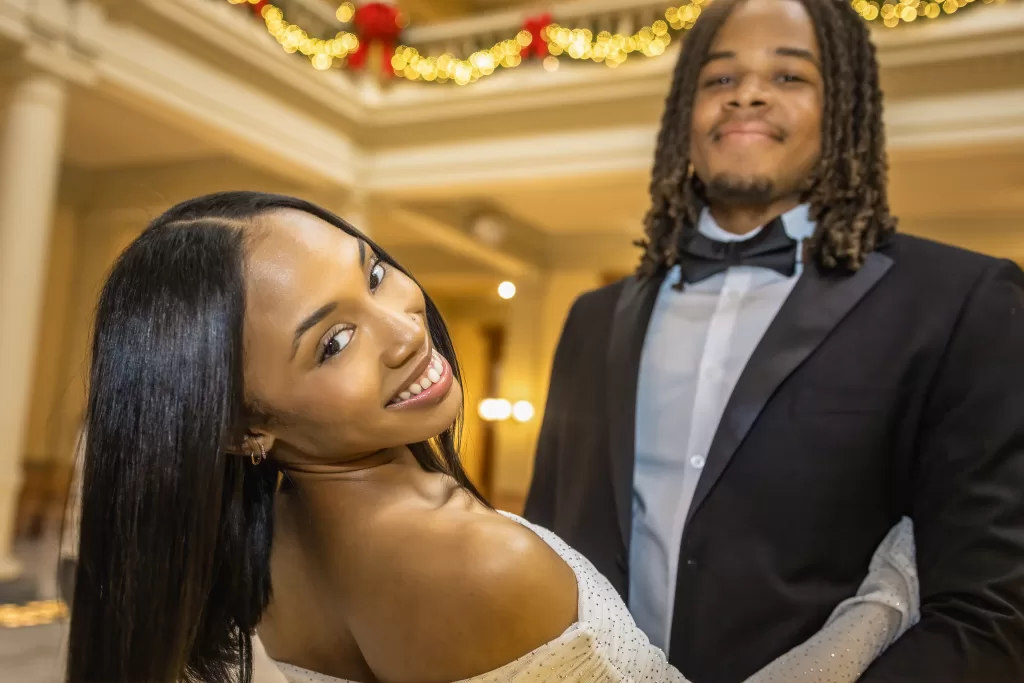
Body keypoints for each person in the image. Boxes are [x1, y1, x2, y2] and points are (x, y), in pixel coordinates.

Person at [65, 191, 917, 683]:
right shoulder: (468, 560)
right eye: (331, 341)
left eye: (371, 271)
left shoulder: (254, 541)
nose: (402, 327)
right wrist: (883, 602)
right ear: (247, 425)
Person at [524, 0, 1024, 681]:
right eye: (720, 78)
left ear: (844, 111)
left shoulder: (962, 301)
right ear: (684, 116)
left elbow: (986, 610)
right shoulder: (591, 318)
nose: (748, 93)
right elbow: (546, 554)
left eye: (790, 77)